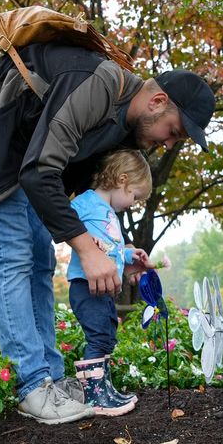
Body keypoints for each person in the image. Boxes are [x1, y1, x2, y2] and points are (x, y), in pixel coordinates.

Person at [0, 42, 214, 425]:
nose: (170, 143)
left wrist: (117, 256)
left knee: (40, 262)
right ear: (157, 101)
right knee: (14, 257)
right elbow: (41, 170)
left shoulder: (121, 131)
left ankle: (51, 378)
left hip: (25, 158)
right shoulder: (98, 85)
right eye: (174, 131)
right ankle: (32, 385)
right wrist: (87, 250)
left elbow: (78, 199)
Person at [66, 150, 156, 416]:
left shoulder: (108, 215)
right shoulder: (86, 203)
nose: (133, 203)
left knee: (106, 335)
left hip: (103, 288)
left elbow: (112, 249)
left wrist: (130, 254)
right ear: (122, 179)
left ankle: (102, 387)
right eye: (134, 196)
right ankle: (94, 396)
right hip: (86, 284)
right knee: (99, 336)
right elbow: (65, 220)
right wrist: (84, 240)